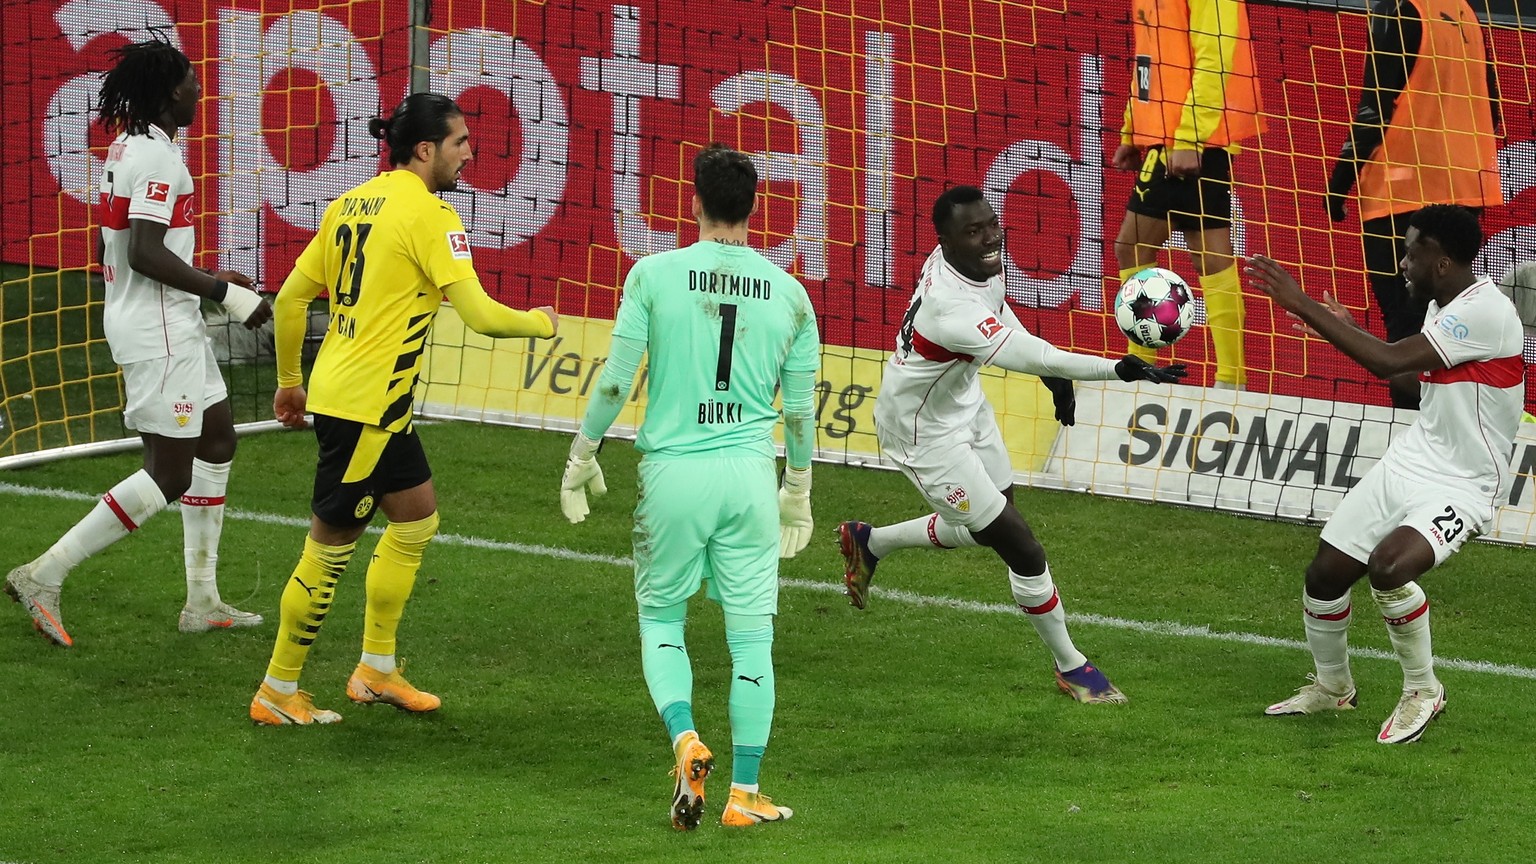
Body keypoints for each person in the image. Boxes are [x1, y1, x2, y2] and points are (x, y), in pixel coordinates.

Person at [248, 93, 558, 725]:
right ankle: (277, 689)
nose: (470, 154)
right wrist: (539, 324)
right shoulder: (429, 214)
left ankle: (376, 669)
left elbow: (287, 300)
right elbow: (477, 315)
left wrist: (289, 381)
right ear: (425, 149)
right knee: (329, 545)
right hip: (365, 408)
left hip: (363, 401)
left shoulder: (347, 203)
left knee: (415, 519)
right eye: (460, 143)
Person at [837, 185, 1187, 705]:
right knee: (1021, 547)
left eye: (991, 224)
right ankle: (1073, 667)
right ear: (945, 242)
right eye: (972, 232)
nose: (988, 238)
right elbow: (1025, 351)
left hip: (964, 403)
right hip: (922, 433)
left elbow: (1001, 315)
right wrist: (1118, 369)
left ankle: (872, 542)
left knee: (991, 526)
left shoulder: (978, 263)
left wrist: (1054, 378)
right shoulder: (946, 307)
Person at [559, 144, 819, 830]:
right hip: (748, 479)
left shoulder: (654, 274)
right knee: (752, 639)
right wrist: (799, 490)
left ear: (694, 202)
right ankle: (745, 793)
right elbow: (798, 412)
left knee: (661, 619)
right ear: (756, 209)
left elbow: (616, 379)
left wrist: (582, 454)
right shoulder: (792, 296)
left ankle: (684, 738)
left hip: (674, 474)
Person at [4, 38, 273, 647]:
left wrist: (198, 279)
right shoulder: (157, 159)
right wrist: (222, 293)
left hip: (162, 318)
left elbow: (119, 247)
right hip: (160, 331)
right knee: (170, 472)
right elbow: (142, 252)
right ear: (166, 92)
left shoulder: (130, 145)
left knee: (219, 437)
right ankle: (44, 575)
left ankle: (202, 601)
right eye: (191, 83)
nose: (200, 91)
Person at [1247, 205, 1521, 744]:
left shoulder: (1484, 311)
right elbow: (1407, 385)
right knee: (1324, 576)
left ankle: (1423, 689)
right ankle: (1333, 688)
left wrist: (1298, 301)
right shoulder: (1444, 308)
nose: (1402, 262)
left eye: (1412, 251)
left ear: (1441, 261)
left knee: (1389, 567)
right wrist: (1347, 332)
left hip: (1464, 481)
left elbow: (1387, 363)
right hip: (1412, 460)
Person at [1324, 0, 1503, 410]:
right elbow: (1490, 102)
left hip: (1401, 192)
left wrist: (1339, 181)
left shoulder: (1400, 8)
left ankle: (1413, 446)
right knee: (1439, 329)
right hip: (1465, 189)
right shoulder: (1465, 11)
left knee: (1403, 334)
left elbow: (1375, 105)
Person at [1111, 0, 1264, 389]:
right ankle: (1232, 379)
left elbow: (1216, 51)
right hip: (1174, 136)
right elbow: (1150, 60)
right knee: (1209, 254)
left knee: (1133, 246)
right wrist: (1133, 129)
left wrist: (1189, 136)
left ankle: (1143, 369)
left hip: (1188, 138)